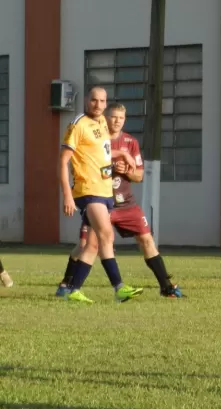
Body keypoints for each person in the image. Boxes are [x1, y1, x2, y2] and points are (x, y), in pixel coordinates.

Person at [56, 104, 184, 298]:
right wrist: (112, 167)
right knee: (86, 245)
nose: (117, 121)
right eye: (113, 117)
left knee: (147, 240)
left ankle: (166, 287)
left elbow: (139, 176)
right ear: (105, 118)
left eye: (121, 118)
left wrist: (129, 171)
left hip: (126, 204)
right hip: (99, 200)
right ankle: (68, 284)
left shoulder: (130, 142)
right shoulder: (94, 137)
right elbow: (84, 166)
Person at [59, 87, 143, 304]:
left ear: (106, 103)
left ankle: (72, 289)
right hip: (88, 191)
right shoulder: (78, 124)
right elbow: (63, 161)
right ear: (87, 100)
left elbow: (101, 152)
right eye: (94, 100)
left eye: (102, 101)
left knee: (93, 245)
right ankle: (119, 288)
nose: (98, 104)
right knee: (107, 235)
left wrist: (123, 153)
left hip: (105, 192)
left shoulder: (102, 123)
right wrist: (67, 195)